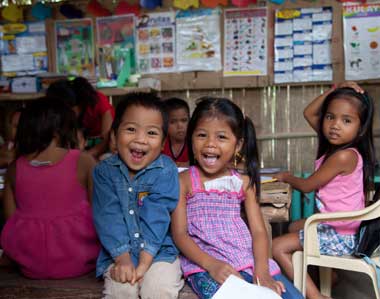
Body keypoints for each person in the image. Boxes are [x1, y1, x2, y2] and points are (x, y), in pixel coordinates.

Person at [171, 97, 303, 299]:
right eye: (202, 135)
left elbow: (259, 231)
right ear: (191, 139)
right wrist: (211, 265)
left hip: (247, 259)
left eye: (221, 137)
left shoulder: (243, 182)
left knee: (290, 296)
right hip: (205, 264)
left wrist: (262, 271)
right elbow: (180, 234)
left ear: (238, 145)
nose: (210, 144)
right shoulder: (184, 181)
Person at [272, 82, 375, 299]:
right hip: (337, 226)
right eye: (330, 117)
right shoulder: (339, 149)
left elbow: (307, 186)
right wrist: (336, 89)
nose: (335, 125)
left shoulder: (344, 156)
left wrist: (287, 177)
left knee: (276, 247)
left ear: (361, 126)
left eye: (346, 120)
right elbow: (308, 112)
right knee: (293, 225)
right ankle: (329, 276)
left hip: (341, 235)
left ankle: (315, 296)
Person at [92, 92, 184, 299]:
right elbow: (108, 217)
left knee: (158, 290)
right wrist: (123, 259)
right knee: (121, 290)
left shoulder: (165, 169)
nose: (140, 139)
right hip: (117, 253)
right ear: (114, 136)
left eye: (151, 133)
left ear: (162, 143)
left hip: (160, 253)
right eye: (131, 129)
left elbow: (157, 216)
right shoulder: (104, 171)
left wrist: (143, 263)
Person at [0, 98, 100, 279]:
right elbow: (100, 210)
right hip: (78, 258)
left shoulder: (15, 167)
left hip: (30, 263)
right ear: (61, 130)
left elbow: (10, 220)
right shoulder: (82, 160)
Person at [46, 77, 115, 159]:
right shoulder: (67, 114)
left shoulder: (98, 101)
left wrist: (86, 156)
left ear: (77, 105)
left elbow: (107, 140)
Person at [162, 97, 190, 167]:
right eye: (173, 122)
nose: (180, 126)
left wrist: (190, 164)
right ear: (164, 124)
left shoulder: (193, 142)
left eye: (184, 120)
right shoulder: (161, 143)